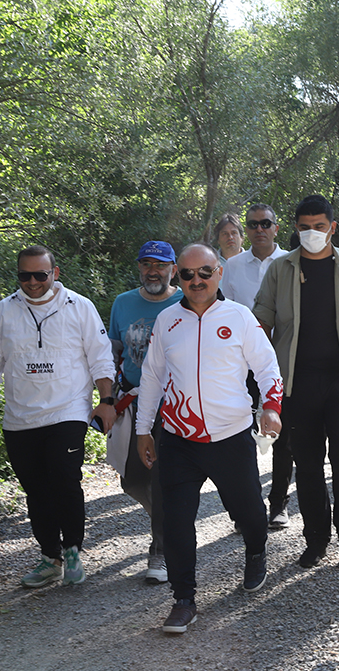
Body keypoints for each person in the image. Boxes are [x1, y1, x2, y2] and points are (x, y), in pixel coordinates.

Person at [136, 243, 283, 634]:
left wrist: (270, 406)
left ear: (219, 273)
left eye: (204, 272)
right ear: (177, 277)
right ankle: (183, 600)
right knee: (177, 520)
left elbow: (267, 366)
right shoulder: (167, 321)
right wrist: (142, 430)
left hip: (229, 437)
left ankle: (255, 550)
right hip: (178, 439)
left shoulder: (239, 317)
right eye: (187, 274)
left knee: (251, 513)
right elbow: (152, 377)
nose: (196, 280)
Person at [253, 194, 339, 569]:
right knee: (307, 463)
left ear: (331, 227)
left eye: (319, 226)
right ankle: (315, 539)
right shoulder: (280, 270)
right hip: (297, 384)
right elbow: (260, 322)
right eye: (304, 227)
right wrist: (260, 378)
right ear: (295, 228)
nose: (312, 233)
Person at [0, 245, 116, 588]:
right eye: (25, 275)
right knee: (35, 489)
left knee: (64, 476)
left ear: (56, 273)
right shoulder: (3, 312)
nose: (32, 282)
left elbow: (100, 357)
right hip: (20, 417)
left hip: (68, 409)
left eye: (40, 275)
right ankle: (49, 557)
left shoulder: (79, 307)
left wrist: (106, 399)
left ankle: (73, 550)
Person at [106, 241, 183, 584]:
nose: (153, 271)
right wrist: (107, 399)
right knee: (132, 480)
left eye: (161, 265)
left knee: (161, 478)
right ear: (139, 268)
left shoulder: (187, 301)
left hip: (176, 404)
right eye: (147, 264)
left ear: (173, 269)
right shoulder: (123, 304)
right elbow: (111, 353)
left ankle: (161, 550)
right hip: (135, 403)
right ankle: (170, 522)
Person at [220, 204, 293, 529]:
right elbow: (224, 313)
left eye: (266, 223)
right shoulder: (232, 266)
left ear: (276, 228)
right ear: (246, 230)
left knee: (283, 432)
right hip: (243, 363)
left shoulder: (293, 261)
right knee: (242, 436)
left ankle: (279, 504)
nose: (259, 229)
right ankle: (249, 506)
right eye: (253, 224)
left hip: (286, 359)